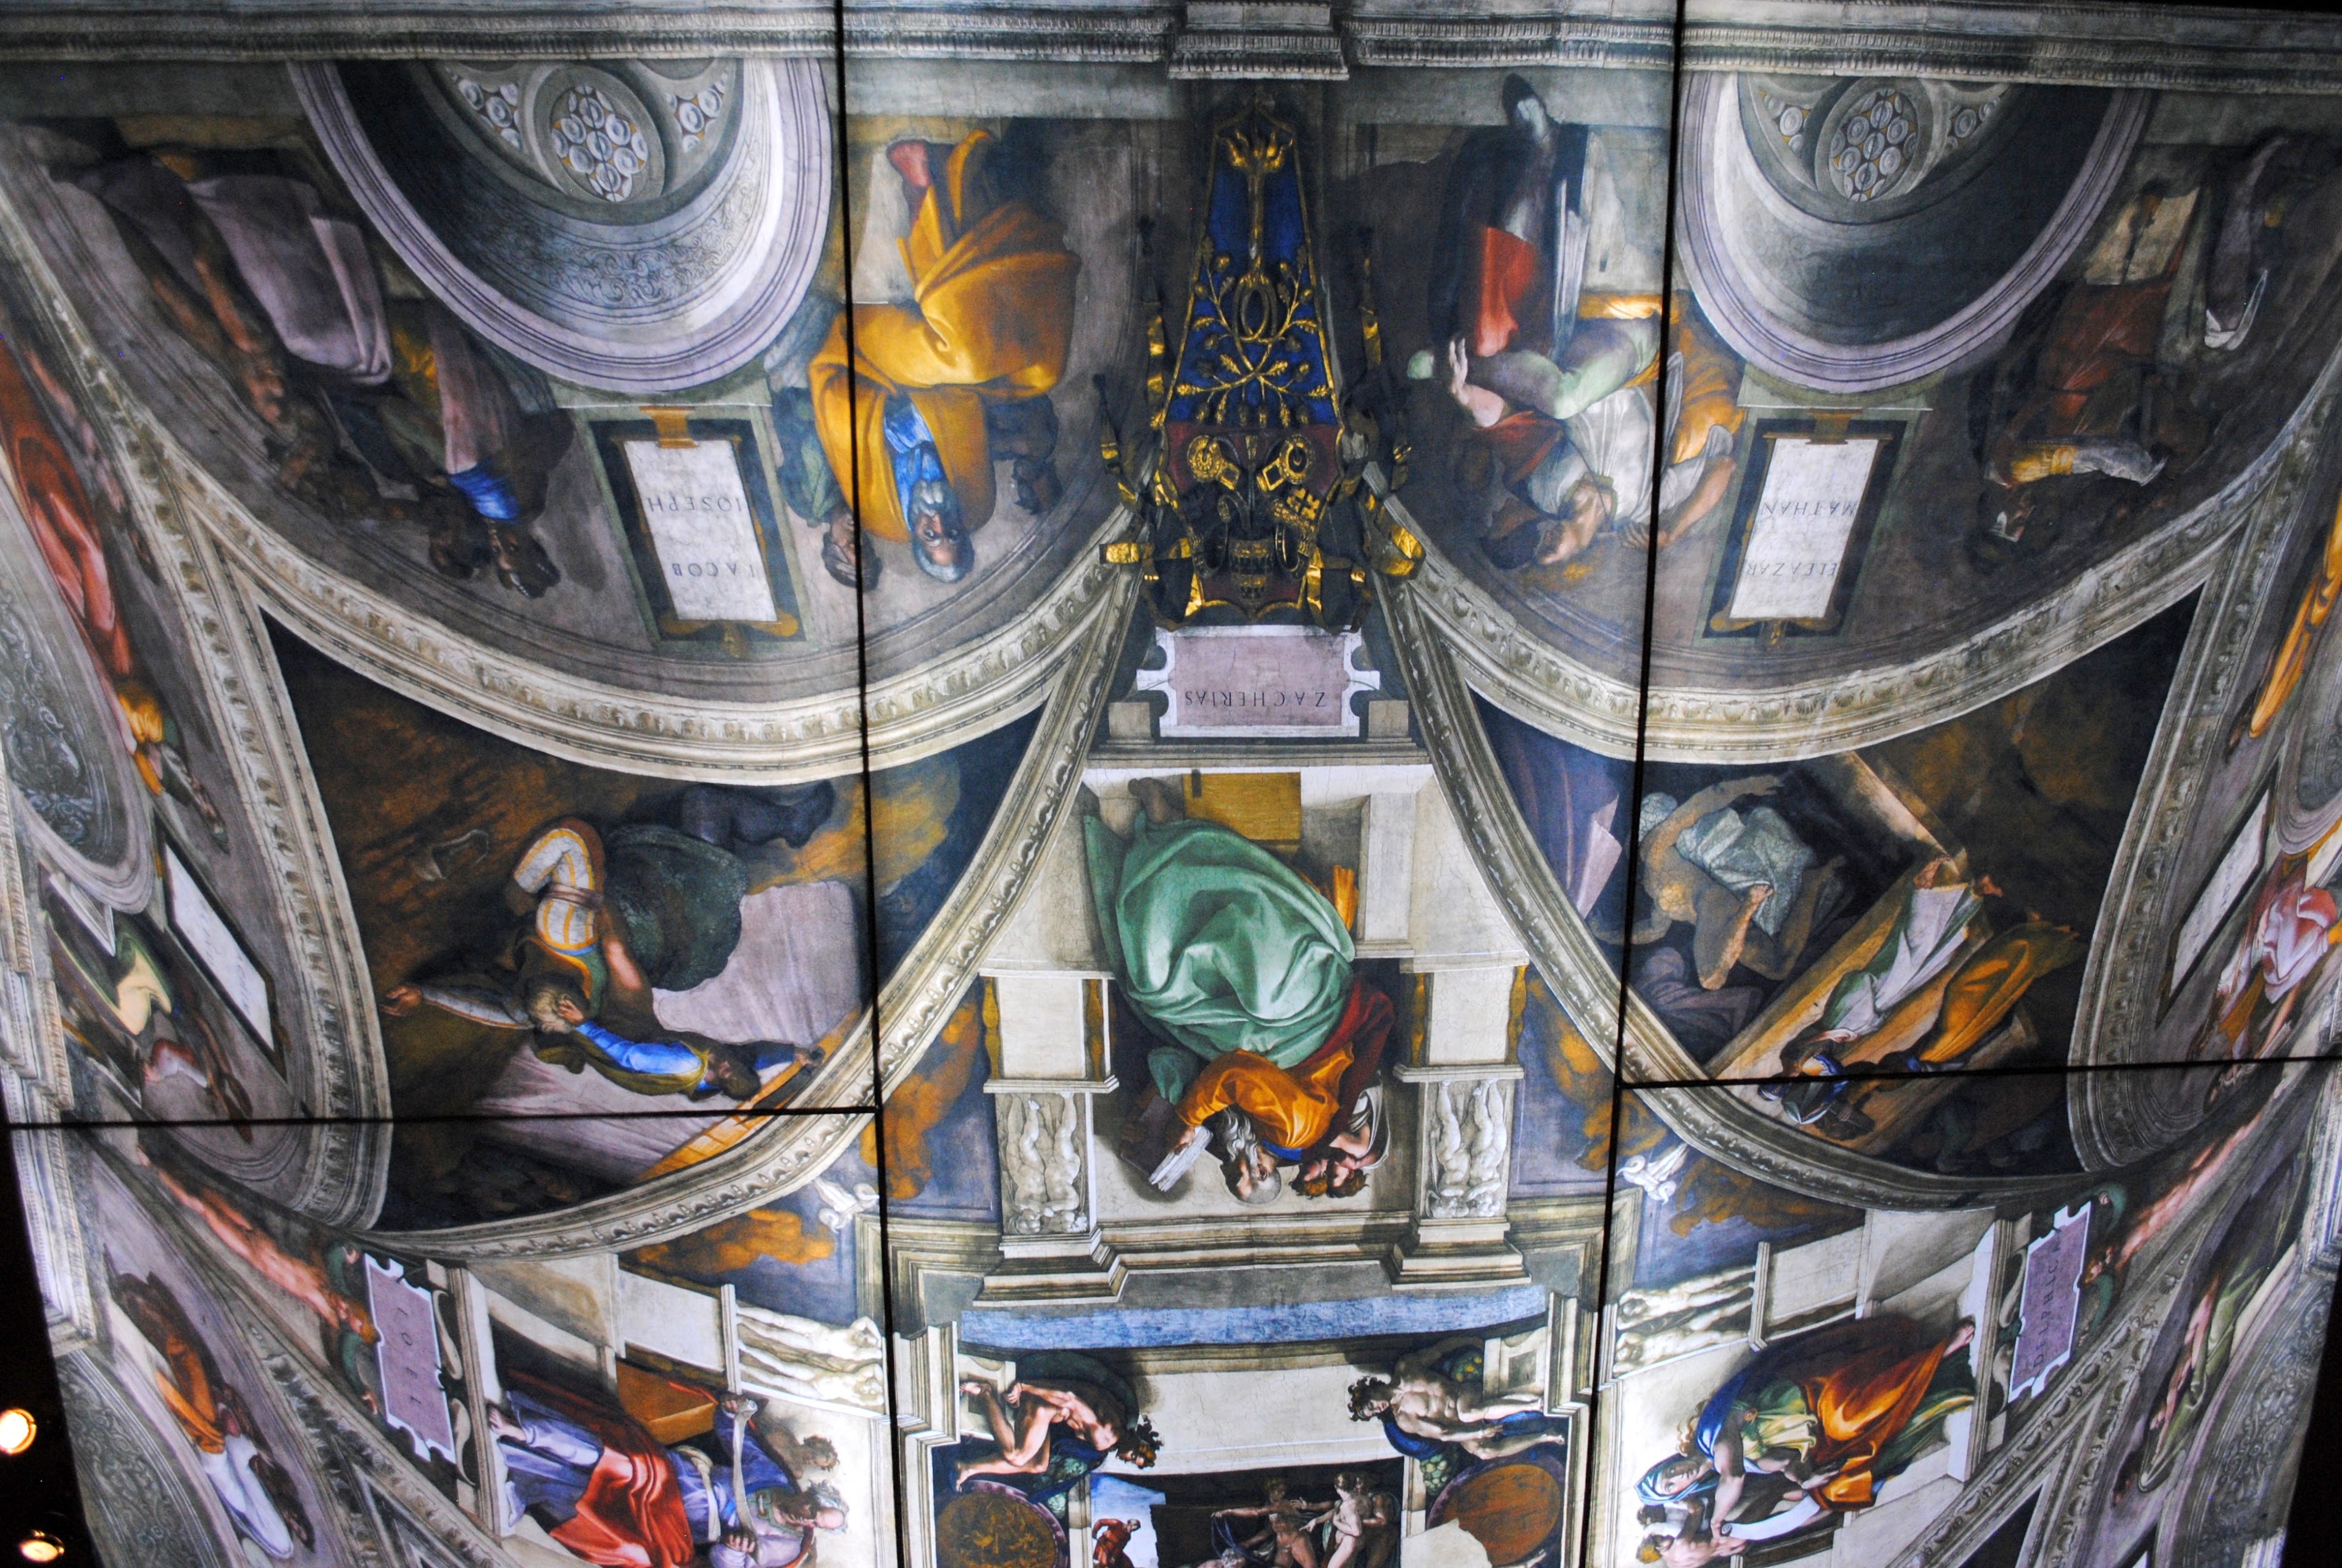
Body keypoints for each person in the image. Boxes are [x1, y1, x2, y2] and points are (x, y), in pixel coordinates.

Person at [1085, 778, 1390, 1203]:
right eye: (1238, 1174)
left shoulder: (1258, 1133)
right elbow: (1235, 1074)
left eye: (1228, 1175)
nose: (1227, 1164)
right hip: (1311, 1026)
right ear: (1263, 1170)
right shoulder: (1294, 1132)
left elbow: (1192, 1066)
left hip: (1272, 1042)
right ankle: (1171, 834)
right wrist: (1188, 1118)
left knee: (1158, 996)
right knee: (1258, 988)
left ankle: (1162, 835)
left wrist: (1164, 1113)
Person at [807, 130, 1077, 587]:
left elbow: (840, 422)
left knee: (963, 353)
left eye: (931, 535)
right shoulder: (977, 503)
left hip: (868, 365)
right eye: (952, 533)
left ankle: (926, 189)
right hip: (941, 384)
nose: (939, 521)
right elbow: (972, 421)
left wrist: (897, 416)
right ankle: (957, 196)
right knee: (1041, 368)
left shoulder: (882, 519)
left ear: (916, 539)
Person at [1765, 861, 2083, 1138]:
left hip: (1857, 1010)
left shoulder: (1796, 1062)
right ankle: (2000, 910)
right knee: (1937, 962)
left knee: (1917, 956)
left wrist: (1837, 1088)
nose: (1791, 1084)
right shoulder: (1850, 1081)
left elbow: (1828, 1057)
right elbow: (1847, 1073)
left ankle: (1933, 892)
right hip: (1904, 1030)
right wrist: (1838, 1096)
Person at [1639, 1316, 1975, 1530]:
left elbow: (1734, 1474)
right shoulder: (1735, 1463)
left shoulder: (1710, 1434)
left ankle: (1940, 1354)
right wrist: (1805, 1477)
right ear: (1681, 1492)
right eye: (1671, 1486)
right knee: (1838, 1481)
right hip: (1818, 1428)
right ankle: (1925, 1386)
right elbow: (1784, 1462)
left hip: (1812, 1389)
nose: (1677, 1477)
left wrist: (1717, 1520)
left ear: (1670, 1463)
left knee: (1847, 1419)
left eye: (1668, 1473)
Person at [492, 1385, 844, 1568]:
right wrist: (729, 1411)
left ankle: (534, 1485)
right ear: (810, 1496)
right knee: (624, 1462)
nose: (808, 1520)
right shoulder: (773, 1476)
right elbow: (734, 1437)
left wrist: (731, 1549)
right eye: (814, 1510)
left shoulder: (785, 1547)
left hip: (675, 1525)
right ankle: (527, 1433)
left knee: (627, 1546)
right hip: (676, 1477)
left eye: (817, 1524)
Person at [109, 1266, 315, 1560]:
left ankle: (135, 1310)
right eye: (300, 1525)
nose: (295, 1524)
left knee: (187, 1361)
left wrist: (246, 1447)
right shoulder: (279, 1510)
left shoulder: (282, 1539)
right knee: (185, 1362)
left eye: (299, 1530)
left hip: (218, 1456)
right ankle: (135, 1306)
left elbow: (243, 1471)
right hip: (221, 1458)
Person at [1631, 777, 1843, 993]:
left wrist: (1747, 785)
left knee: (1714, 978)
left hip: (1714, 907)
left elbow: (1697, 805)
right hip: (1711, 919)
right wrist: (1611, 935)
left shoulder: (1654, 849)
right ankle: (1807, 885)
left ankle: (1756, 904)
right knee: (1777, 968)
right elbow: (1653, 930)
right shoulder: (1653, 881)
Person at [954, 1354, 1161, 1494]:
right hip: (1043, 1403)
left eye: (1132, 1461)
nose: (1127, 1459)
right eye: (1133, 1456)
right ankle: (984, 1392)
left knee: (1038, 1465)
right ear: (1137, 1443)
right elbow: (1070, 1398)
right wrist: (1024, 1388)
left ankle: (969, 1468)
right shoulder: (1105, 1438)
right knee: (1017, 1456)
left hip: (1050, 1412)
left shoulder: (1120, 1420)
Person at [1346, 1337, 1557, 1461]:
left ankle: (1535, 1405)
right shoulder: (1403, 1419)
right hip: (1461, 1427)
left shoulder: (1405, 1367)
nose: (1377, 1409)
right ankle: (1544, 1436)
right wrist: (1479, 1433)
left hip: (1463, 1396)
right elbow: (1444, 1434)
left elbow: (1440, 1350)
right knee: (1485, 1452)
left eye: (1371, 1405)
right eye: (1373, 1412)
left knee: (1467, 1414)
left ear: (1371, 1390)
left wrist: (1470, 1340)